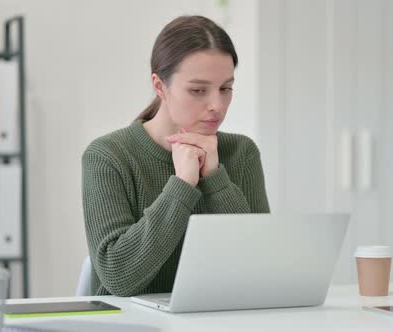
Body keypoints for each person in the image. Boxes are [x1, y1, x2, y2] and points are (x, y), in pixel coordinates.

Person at [82, 15, 270, 297]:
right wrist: (182, 185)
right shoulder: (108, 156)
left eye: (226, 88)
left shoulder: (241, 154)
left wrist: (216, 180)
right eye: (198, 90)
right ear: (160, 86)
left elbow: (263, 270)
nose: (216, 106)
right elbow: (118, 277)